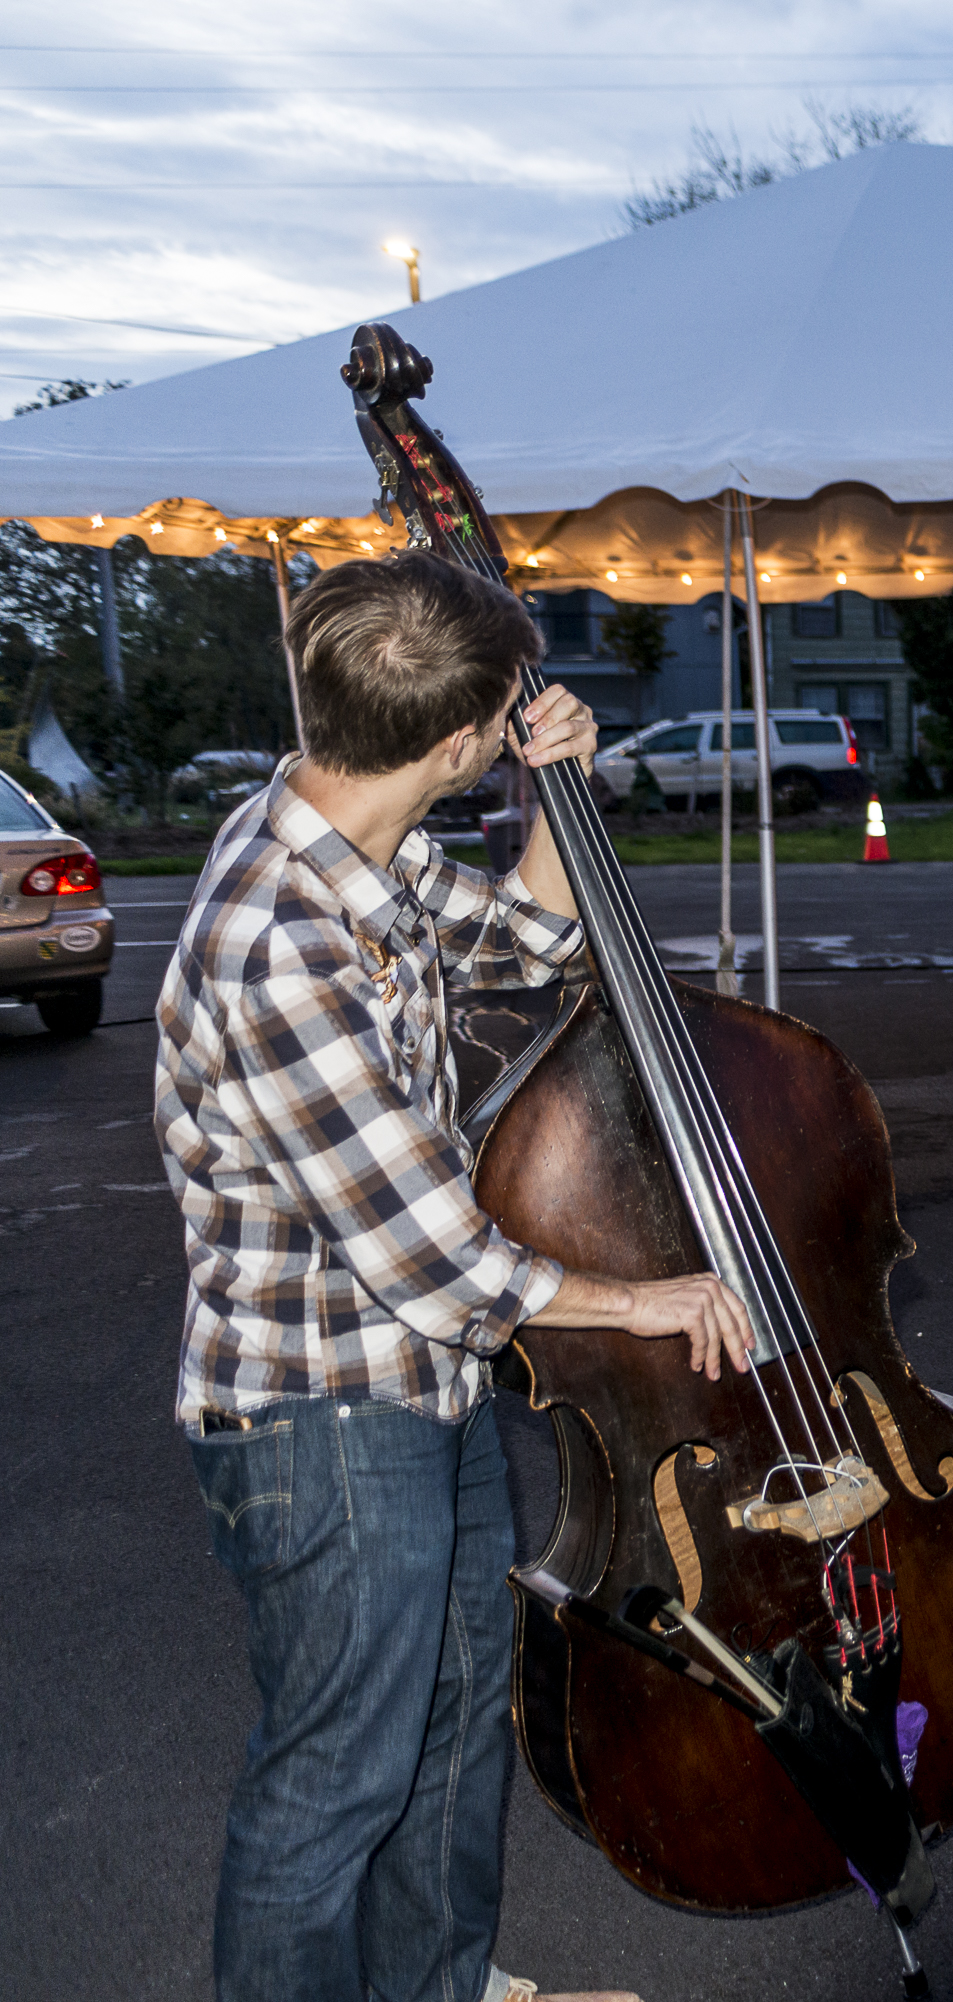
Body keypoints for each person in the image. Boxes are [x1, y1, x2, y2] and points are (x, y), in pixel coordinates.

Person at [157, 551, 754, 2002]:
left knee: (442, 1737)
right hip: (321, 1415)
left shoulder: (351, 837)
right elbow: (442, 1261)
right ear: (448, 745)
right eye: (501, 724)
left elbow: (533, 938)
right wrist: (648, 1297)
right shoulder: (278, 939)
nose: (503, 734)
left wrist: (559, 790)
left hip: (418, 1388)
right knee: (333, 1785)